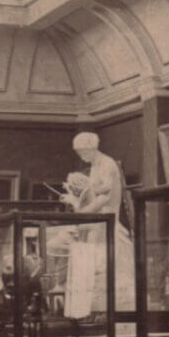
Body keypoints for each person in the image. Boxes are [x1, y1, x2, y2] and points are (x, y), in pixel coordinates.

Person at [62, 132, 135, 315]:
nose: (80, 156)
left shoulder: (107, 164)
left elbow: (105, 197)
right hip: (98, 222)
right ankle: (98, 308)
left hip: (107, 220)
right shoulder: (95, 165)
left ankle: (111, 307)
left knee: (109, 265)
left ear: (91, 148)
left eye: (82, 151)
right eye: (78, 152)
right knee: (97, 266)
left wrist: (82, 211)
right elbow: (95, 192)